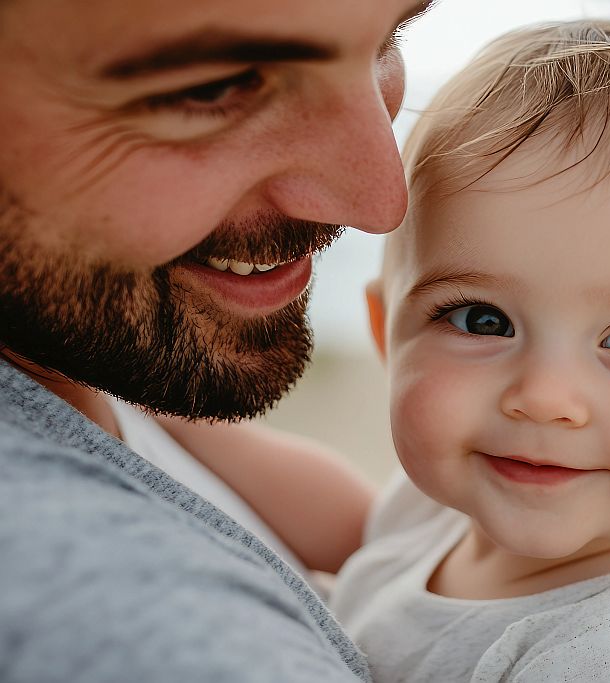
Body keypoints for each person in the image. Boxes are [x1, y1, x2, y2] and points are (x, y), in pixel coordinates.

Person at [180, 15, 610, 681]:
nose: (544, 397)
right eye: (481, 320)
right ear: (390, 333)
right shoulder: (484, 483)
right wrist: (161, 415)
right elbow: (361, 534)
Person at [0, 0, 435, 680]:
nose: (382, 202)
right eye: (215, 86)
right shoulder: (151, 634)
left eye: (390, 38)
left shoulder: (82, 361)